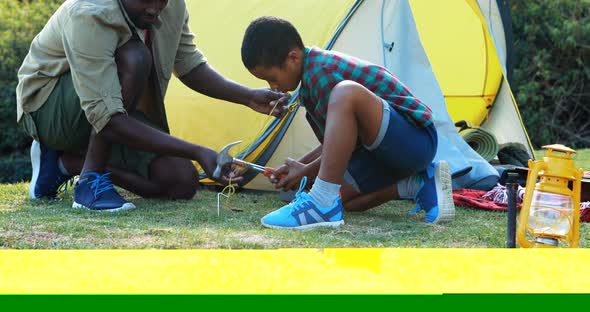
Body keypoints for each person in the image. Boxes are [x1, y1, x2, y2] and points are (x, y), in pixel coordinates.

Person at [16, 1, 289, 212]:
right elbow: (107, 117)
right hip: (49, 110)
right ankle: (90, 181)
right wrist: (198, 151)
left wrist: (248, 97)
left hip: (109, 109)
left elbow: (190, 65)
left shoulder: (169, 6)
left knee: (180, 180)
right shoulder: (88, 13)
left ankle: (65, 163)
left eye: (162, 0)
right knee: (135, 57)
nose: (155, 8)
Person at [240, 16, 455, 229]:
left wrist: (306, 171)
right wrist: (302, 166)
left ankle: (321, 202)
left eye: (272, 78)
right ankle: (415, 184)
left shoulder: (320, 73)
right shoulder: (307, 85)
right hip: (384, 153)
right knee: (341, 199)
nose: (272, 87)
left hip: (415, 141)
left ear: (293, 58)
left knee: (345, 93)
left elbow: (350, 146)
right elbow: (338, 143)